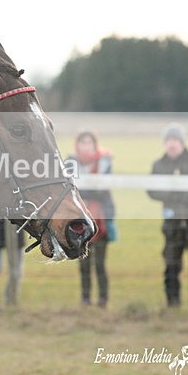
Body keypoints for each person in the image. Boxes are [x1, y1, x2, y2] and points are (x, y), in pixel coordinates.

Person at [147, 123, 188, 307]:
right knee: (171, 266)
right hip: (172, 225)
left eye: (175, 140)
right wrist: (171, 196)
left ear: (182, 142)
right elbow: (151, 190)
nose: (172, 144)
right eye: (169, 140)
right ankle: (173, 303)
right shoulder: (159, 165)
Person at [68, 131, 117, 307]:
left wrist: (83, 190)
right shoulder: (70, 162)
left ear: (95, 145)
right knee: (83, 263)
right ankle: (85, 299)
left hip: (100, 219)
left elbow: (103, 190)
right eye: (82, 142)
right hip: (78, 221)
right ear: (77, 145)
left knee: (100, 264)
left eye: (89, 143)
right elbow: (68, 189)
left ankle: (103, 299)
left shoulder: (104, 162)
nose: (86, 146)